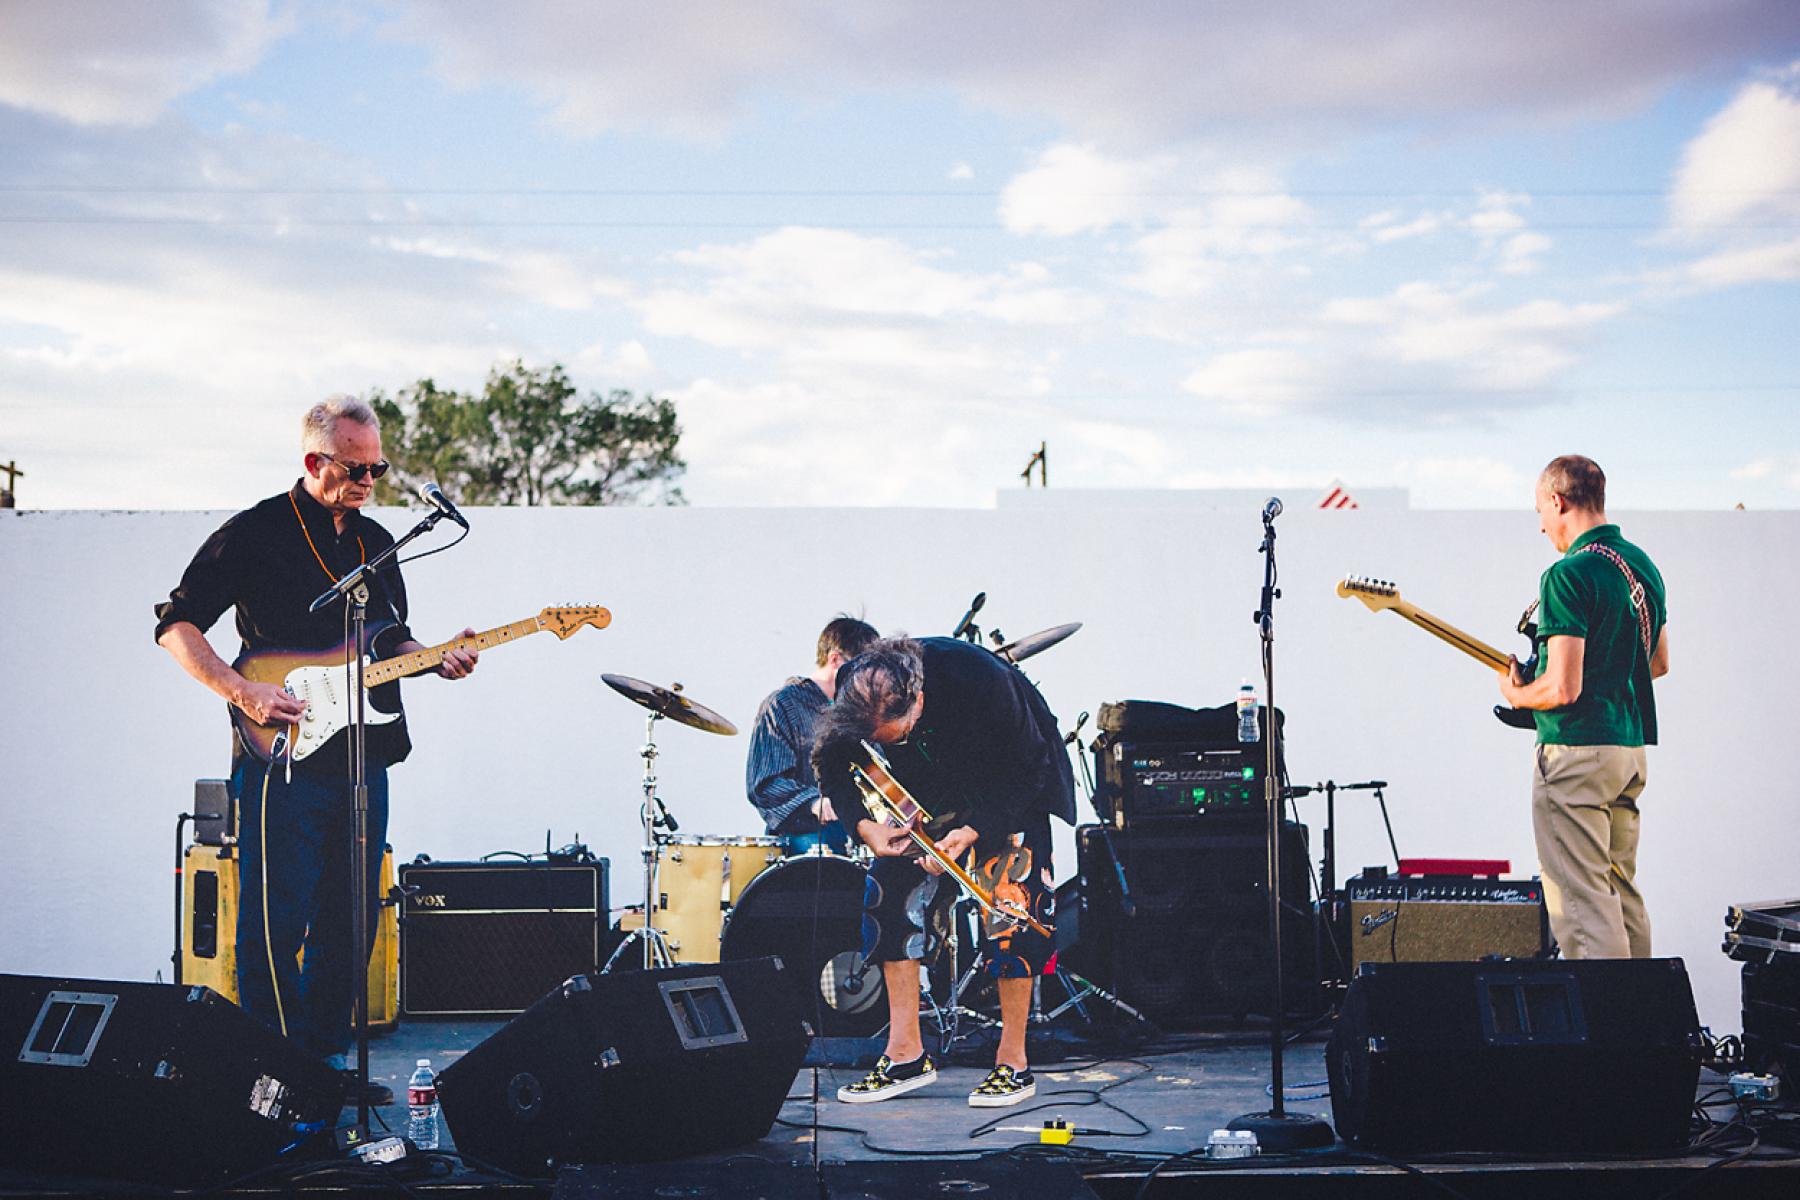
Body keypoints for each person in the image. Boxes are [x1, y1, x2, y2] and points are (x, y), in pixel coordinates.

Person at [154, 396, 478, 1103]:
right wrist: (242, 692)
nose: (370, 481)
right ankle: (268, 1072)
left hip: (363, 759)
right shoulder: (255, 532)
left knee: (351, 915)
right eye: (357, 468)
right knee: (274, 917)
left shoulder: (374, 543)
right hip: (281, 755)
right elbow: (177, 625)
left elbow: (390, 637)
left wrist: (434, 658)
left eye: (379, 468)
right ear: (314, 462)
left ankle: (324, 1065)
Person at [814, 636, 1076, 1108]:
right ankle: (905, 1054)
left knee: (1012, 907)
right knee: (888, 899)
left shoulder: (981, 679)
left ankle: (1013, 1061)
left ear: (919, 699)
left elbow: (1028, 767)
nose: (885, 746)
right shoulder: (855, 691)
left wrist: (975, 830)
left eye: (893, 736)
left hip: (1011, 784)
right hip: (927, 791)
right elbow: (832, 762)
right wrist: (864, 825)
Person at [1499, 454, 1669, 960]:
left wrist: (1517, 694)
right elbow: (1657, 663)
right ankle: (1646, 1023)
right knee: (1621, 894)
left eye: (1540, 513)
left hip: (1574, 753)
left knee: (1581, 906)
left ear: (1558, 500)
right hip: (1629, 750)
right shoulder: (1642, 566)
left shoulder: (1567, 575)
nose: (1541, 527)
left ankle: (1611, 1034)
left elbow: (1563, 688)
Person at [745, 615, 880, 853]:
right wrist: (814, 803)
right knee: (824, 864)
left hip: (862, 830)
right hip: (806, 831)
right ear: (836, 660)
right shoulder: (783, 705)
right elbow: (765, 784)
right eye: (863, 674)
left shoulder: (860, 712)